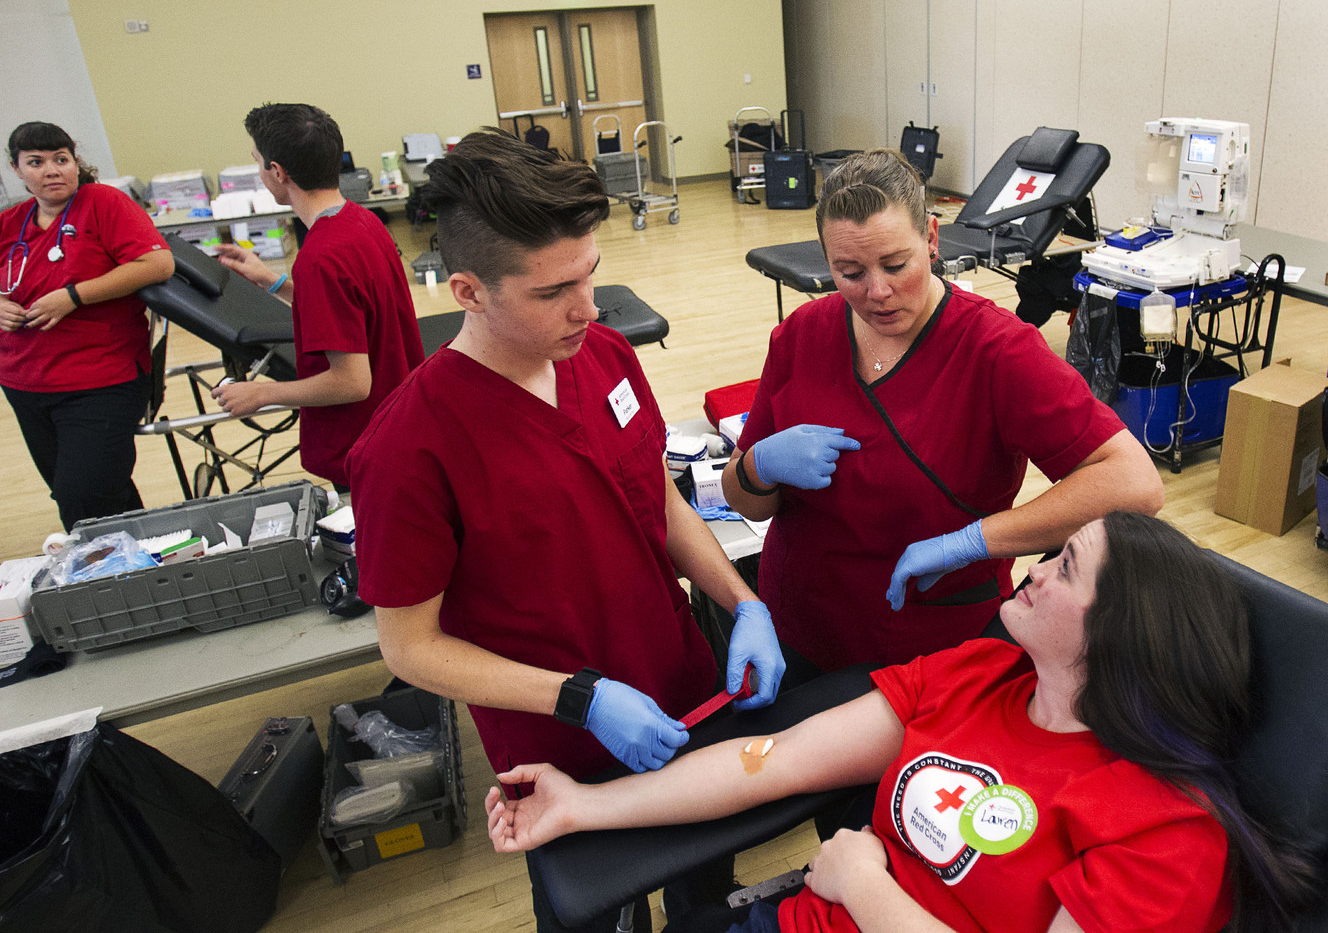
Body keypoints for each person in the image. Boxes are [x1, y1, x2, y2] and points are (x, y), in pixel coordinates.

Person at [346, 129, 784, 932]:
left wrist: (739, 600)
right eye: (553, 292)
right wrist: (580, 699)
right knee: (596, 915)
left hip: (684, 694)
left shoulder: (608, 356)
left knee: (704, 894)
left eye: (590, 274)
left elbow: (660, 502)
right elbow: (410, 647)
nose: (586, 307)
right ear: (469, 291)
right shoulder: (409, 448)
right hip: (558, 748)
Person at [486, 512, 1315, 933]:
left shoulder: (1166, 832)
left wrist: (865, 884)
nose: (1030, 569)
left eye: (1063, 566)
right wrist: (586, 804)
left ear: (1124, 634)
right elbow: (772, 760)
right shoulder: (983, 672)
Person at [722, 149, 1164, 677]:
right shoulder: (803, 334)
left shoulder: (997, 351)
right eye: (850, 272)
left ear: (932, 239)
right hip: (797, 624)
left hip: (925, 648)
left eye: (895, 264)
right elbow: (745, 502)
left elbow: (1135, 483)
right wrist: (758, 466)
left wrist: (974, 542)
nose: (877, 292)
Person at [209, 103, 424, 491]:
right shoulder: (361, 221)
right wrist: (273, 282)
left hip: (367, 446)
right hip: (399, 425)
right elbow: (356, 311)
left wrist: (261, 394)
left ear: (277, 172)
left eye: (258, 162)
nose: (261, 173)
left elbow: (351, 383)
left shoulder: (320, 257)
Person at [0, 121, 174, 531]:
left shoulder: (102, 204)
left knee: (82, 495)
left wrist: (73, 296)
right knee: (83, 491)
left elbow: (157, 263)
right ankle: (138, 567)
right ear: (17, 170)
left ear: (75, 163)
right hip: (25, 383)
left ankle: (103, 576)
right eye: (36, 162)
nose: (52, 170)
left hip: (100, 379)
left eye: (61, 159)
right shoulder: (11, 223)